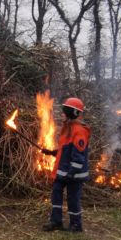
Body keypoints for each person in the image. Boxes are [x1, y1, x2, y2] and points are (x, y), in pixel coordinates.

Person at [42, 97, 91, 232]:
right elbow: (66, 149)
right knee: (56, 194)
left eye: (65, 111)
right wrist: (53, 152)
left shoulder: (79, 130)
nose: (62, 114)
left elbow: (78, 155)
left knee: (73, 199)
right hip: (63, 171)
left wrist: (72, 172)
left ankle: (76, 225)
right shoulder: (67, 128)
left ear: (72, 113)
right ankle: (56, 221)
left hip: (73, 174)